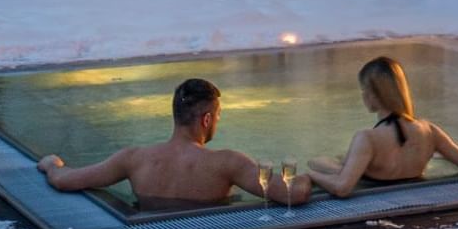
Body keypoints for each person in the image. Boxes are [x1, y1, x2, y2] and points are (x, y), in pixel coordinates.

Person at [36, 77, 309, 210]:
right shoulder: (226, 163)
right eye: (218, 117)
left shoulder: (133, 159)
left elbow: (65, 180)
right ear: (206, 120)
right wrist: (321, 174)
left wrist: (52, 164)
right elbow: (291, 194)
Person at [306, 55, 458, 198]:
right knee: (329, 161)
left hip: (374, 192)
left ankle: (339, 165)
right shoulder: (429, 130)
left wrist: (310, 176)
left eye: (364, 90)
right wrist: (441, 153)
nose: (363, 95)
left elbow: (342, 188)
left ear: (374, 94)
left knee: (315, 164)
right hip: (414, 190)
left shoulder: (368, 138)